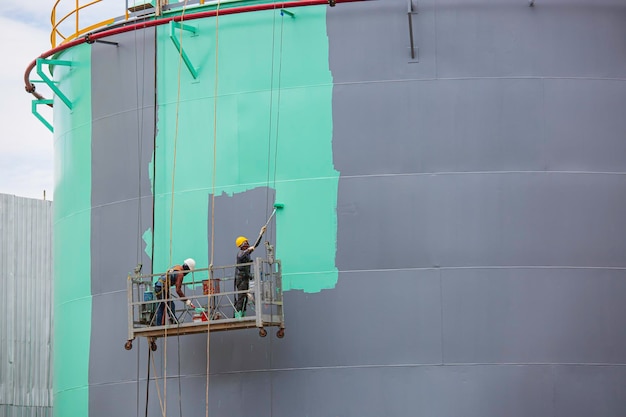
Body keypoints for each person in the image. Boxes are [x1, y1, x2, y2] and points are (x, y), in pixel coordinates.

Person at [234, 226, 266, 318]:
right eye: (246, 242)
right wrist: (249, 249)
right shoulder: (241, 253)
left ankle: (242, 313)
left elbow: (255, 245)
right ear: (242, 244)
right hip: (241, 279)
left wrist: (261, 234)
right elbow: (241, 256)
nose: (248, 243)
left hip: (245, 278)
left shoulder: (246, 253)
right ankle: (238, 314)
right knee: (241, 297)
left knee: (244, 298)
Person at [154, 258, 196, 325]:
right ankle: (172, 322)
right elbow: (178, 290)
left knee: (164, 306)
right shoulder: (180, 274)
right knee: (168, 305)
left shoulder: (177, 267)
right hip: (161, 288)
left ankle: (162, 323)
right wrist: (186, 300)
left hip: (159, 286)